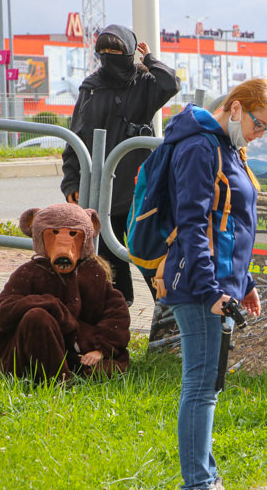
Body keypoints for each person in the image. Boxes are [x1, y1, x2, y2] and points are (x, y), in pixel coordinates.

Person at [161, 79, 267, 490]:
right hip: (198, 286)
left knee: (207, 384)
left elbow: (230, 225)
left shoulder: (227, 147)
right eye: (258, 124)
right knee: (199, 386)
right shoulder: (199, 148)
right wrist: (213, 288)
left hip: (221, 285)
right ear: (235, 108)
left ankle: (209, 483)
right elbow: (193, 224)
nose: (259, 135)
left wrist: (243, 284)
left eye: (266, 129)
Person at [60, 24, 181, 306]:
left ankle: (166, 316)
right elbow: (75, 137)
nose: (109, 55)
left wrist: (149, 60)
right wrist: (71, 182)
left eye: (116, 50)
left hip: (138, 188)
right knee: (111, 263)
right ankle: (118, 319)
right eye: (103, 50)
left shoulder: (145, 85)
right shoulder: (91, 88)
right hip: (101, 189)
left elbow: (171, 83)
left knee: (148, 253)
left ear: (129, 51)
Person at [0, 204, 130, 382]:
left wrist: (101, 348)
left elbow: (116, 314)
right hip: (32, 353)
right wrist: (49, 304)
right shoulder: (29, 273)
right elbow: (3, 312)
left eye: (74, 234)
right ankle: (58, 382)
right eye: (55, 233)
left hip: (78, 351)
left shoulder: (92, 272)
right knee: (36, 316)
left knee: (106, 369)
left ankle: (73, 372)